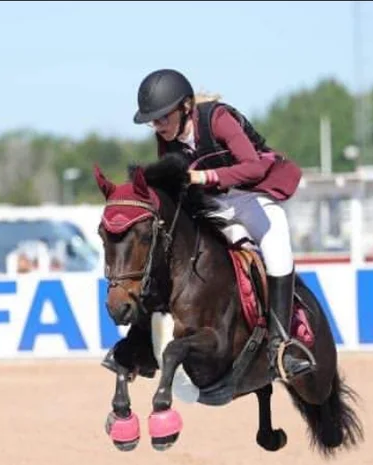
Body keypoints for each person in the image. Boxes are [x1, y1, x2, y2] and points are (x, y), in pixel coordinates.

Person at [133, 68, 315, 383]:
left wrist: (205, 176)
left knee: (276, 249)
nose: (158, 126)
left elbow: (253, 167)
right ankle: (143, 344)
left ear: (185, 107)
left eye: (162, 118)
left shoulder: (217, 119)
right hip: (215, 203)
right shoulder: (166, 138)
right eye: (153, 121)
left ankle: (281, 345)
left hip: (252, 195)